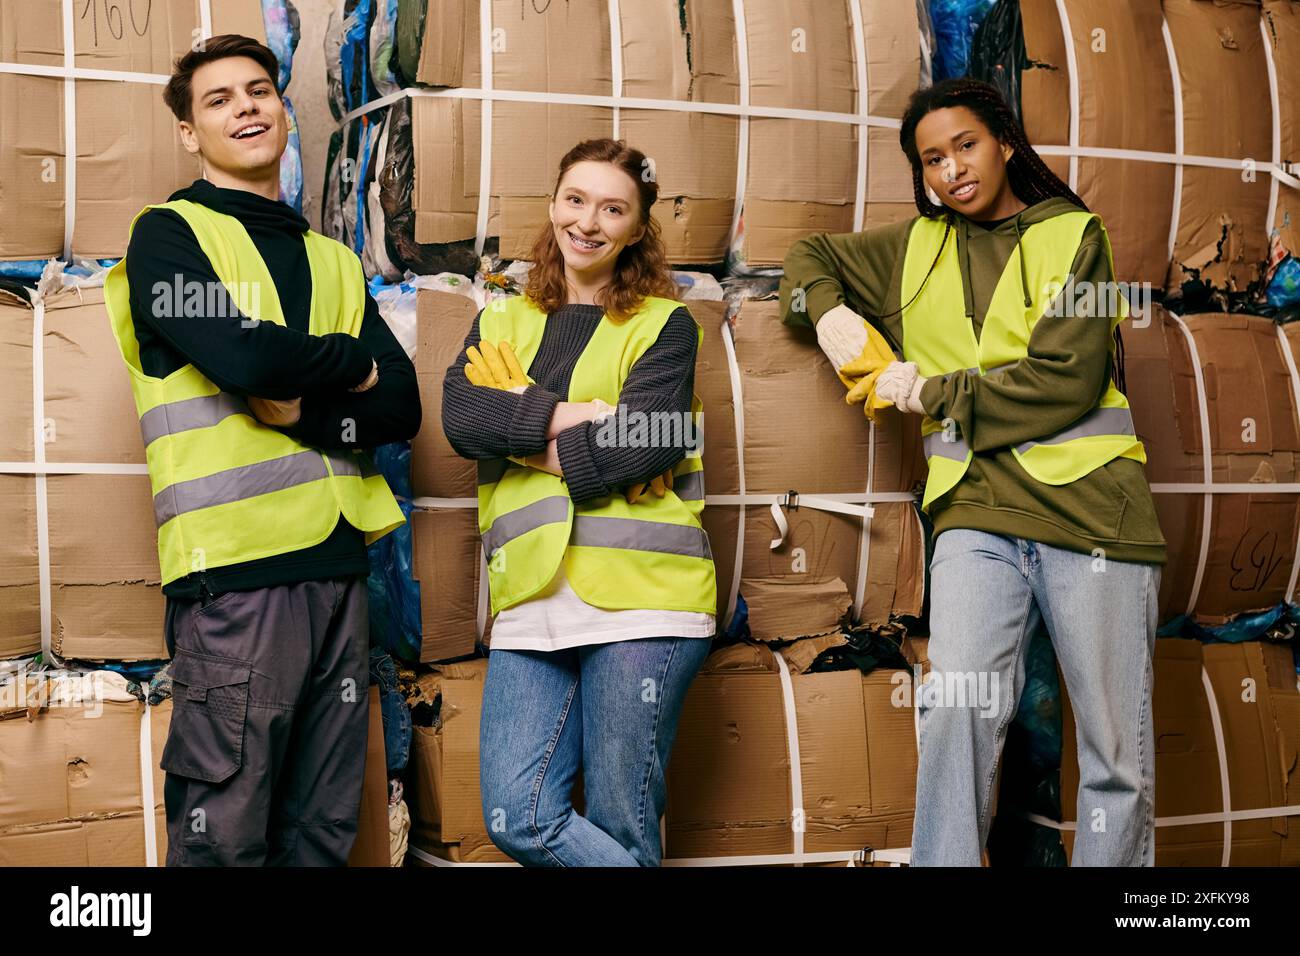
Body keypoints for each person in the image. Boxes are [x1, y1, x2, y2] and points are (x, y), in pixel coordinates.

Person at [780, 78, 1166, 866]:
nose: (951, 169)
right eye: (931, 159)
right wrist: (828, 312)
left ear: (1005, 144)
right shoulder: (915, 249)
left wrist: (929, 390)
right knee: (954, 714)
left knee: (1113, 750)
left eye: (965, 145)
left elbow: (1067, 379)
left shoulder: (1073, 236)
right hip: (975, 518)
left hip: (1092, 516)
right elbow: (805, 258)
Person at [102, 34, 420, 865]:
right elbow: (247, 359)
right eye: (218, 100)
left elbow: (402, 406)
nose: (246, 107)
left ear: (284, 110)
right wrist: (349, 361)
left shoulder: (336, 262)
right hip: (236, 586)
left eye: (259, 91)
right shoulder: (166, 238)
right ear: (187, 132)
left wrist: (304, 413)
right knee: (225, 837)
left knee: (320, 837)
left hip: (341, 576)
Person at [443, 138, 714, 866]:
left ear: (636, 228)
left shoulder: (665, 325)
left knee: (626, 822)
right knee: (518, 817)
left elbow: (647, 443)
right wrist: (574, 417)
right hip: (532, 598)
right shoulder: (500, 319)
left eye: (612, 208)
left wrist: (521, 427)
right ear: (553, 204)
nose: (588, 222)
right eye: (575, 199)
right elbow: (462, 423)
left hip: (643, 601)